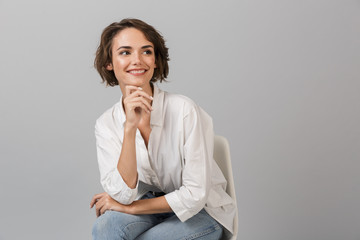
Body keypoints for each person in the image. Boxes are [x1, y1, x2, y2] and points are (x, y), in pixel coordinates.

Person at [90, 18, 236, 240]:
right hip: (151, 206)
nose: (137, 61)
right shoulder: (106, 123)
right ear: (109, 62)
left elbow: (195, 196)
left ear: (156, 61)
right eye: (125, 52)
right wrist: (129, 129)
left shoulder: (184, 110)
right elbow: (121, 194)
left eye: (146, 51)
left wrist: (130, 209)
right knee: (104, 227)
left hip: (202, 212)